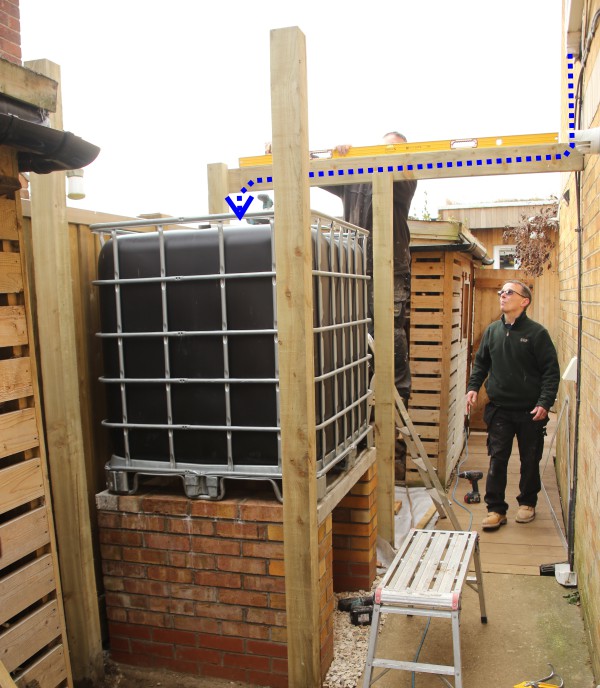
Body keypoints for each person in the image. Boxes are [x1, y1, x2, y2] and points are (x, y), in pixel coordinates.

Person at [321, 132, 417, 480]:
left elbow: (397, 169)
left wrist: (365, 157)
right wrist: (338, 156)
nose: (386, 152)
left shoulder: (405, 177)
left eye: (392, 147)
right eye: (382, 146)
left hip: (390, 270)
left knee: (390, 358)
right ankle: (360, 455)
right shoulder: (355, 180)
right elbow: (317, 171)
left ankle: (394, 476)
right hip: (355, 271)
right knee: (352, 354)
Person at [465, 281, 560, 530]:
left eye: (509, 292)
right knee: (497, 459)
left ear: (524, 301)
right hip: (499, 409)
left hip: (531, 411)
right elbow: (481, 363)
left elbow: (551, 372)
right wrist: (473, 387)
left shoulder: (537, 334)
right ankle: (496, 509)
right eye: (501, 292)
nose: (502, 296)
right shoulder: (493, 331)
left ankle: (527, 503)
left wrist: (544, 403)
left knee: (530, 459)